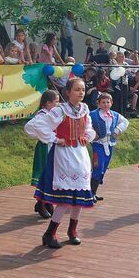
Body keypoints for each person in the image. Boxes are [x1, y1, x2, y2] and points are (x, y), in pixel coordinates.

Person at [27, 77, 96, 248]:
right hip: (64, 156)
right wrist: (55, 139)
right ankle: (49, 233)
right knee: (65, 199)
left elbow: (88, 128)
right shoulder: (60, 111)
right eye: (77, 89)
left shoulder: (85, 109)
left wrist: (88, 135)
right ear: (68, 92)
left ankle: (72, 230)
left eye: (83, 89)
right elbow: (38, 126)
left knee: (79, 196)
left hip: (80, 155)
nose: (81, 92)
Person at [24, 90, 60, 219]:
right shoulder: (42, 115)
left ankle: (47, 202)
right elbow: (28, 128)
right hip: (45, 147)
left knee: (52, 175)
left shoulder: (53, 114)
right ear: (48, 103)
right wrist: (43, 137)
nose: (58, 104)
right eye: (56, 101)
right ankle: (41, 203)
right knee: (45, 175)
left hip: (54, 147)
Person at [89, 92, 129, 202]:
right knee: (98, 167)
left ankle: (93, 191)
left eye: (108, 102)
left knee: (104, 167)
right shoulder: (92, 114)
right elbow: (86, 126)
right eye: (103, 102)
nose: (105, 104)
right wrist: (93, 134)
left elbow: (125, 122)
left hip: (110, 145)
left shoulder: (115, 115)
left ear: (111, 103)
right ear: (98, 103)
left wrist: (118, 130)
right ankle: (90, 193)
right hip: (98, 145)